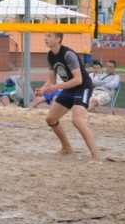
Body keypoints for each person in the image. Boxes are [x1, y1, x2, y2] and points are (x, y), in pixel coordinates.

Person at [35, 32, 100, 163]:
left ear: (58, 39)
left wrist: (56, 87)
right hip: (68, 88)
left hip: (83, 87)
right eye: (45, 36)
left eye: (49, 36)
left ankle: (96, 157)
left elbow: (78, 80)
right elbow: (51, 80)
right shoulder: (50, 55)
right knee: (51, 118)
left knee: (77, 120)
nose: (45, 38)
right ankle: (67, 148)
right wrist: (42, 90)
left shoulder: (68, 54)